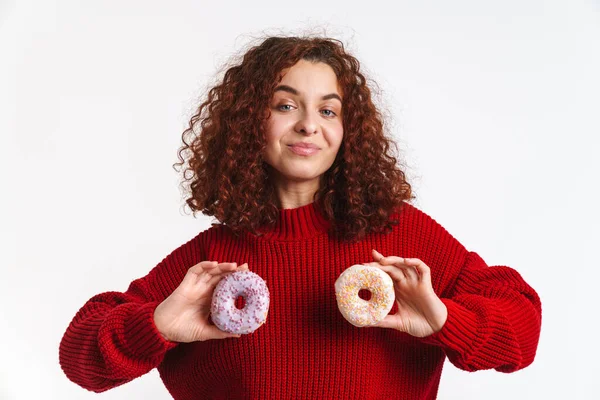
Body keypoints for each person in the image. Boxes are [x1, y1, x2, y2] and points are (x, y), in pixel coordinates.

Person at [58, 35, 542, 399]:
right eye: (285, 105)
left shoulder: (400, 237)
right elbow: (79, 356)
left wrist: (445, 320)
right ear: (250, 121)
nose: (309, 124)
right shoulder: (210, 266)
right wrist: (156, 327)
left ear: (348, 130)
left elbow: (522, 325)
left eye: (329, 111)